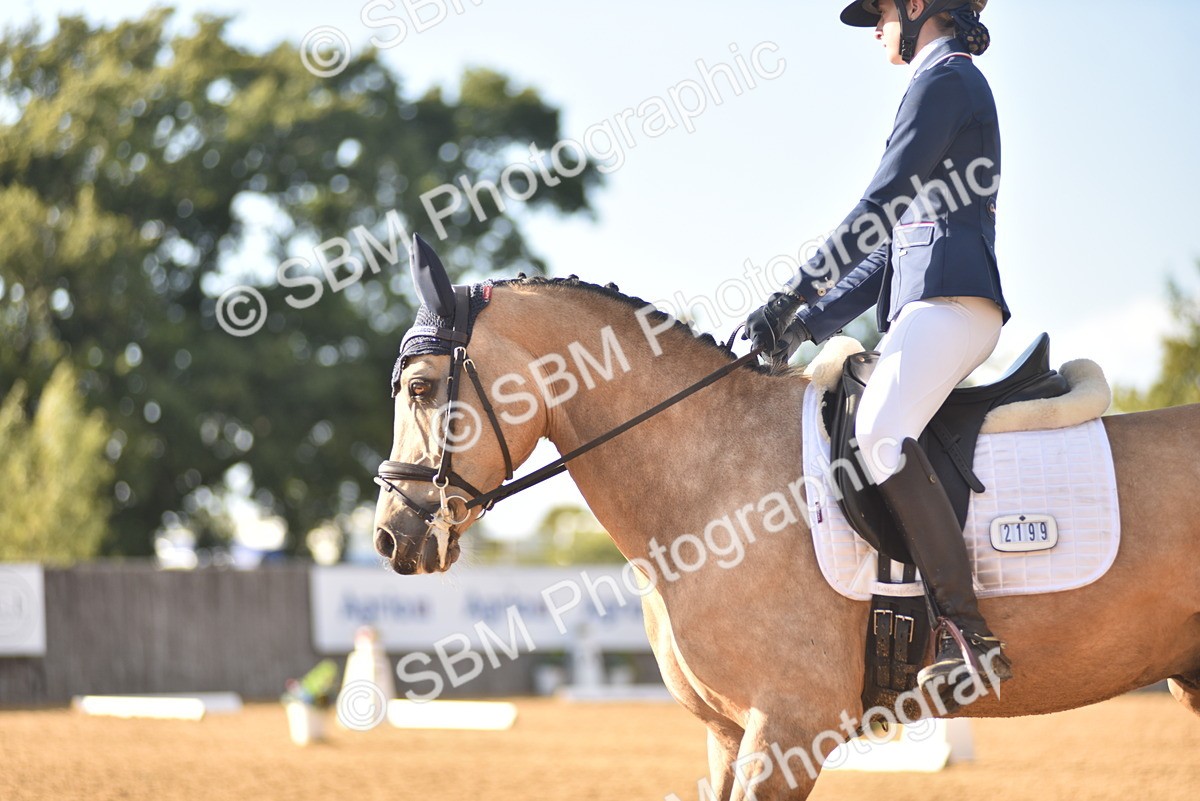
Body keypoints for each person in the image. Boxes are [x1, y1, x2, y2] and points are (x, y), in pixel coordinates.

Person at [745, 0, 1013, 704]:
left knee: (877, 430)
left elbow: (879, 205)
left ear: (918, 6)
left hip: (953, 301)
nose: (875, 27)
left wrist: (791, 289)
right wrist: (806, 322)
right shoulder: (938, 81)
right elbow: (892, 244)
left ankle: (967, 633)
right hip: (926, 302)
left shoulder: (946, 79)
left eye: (881, 12)